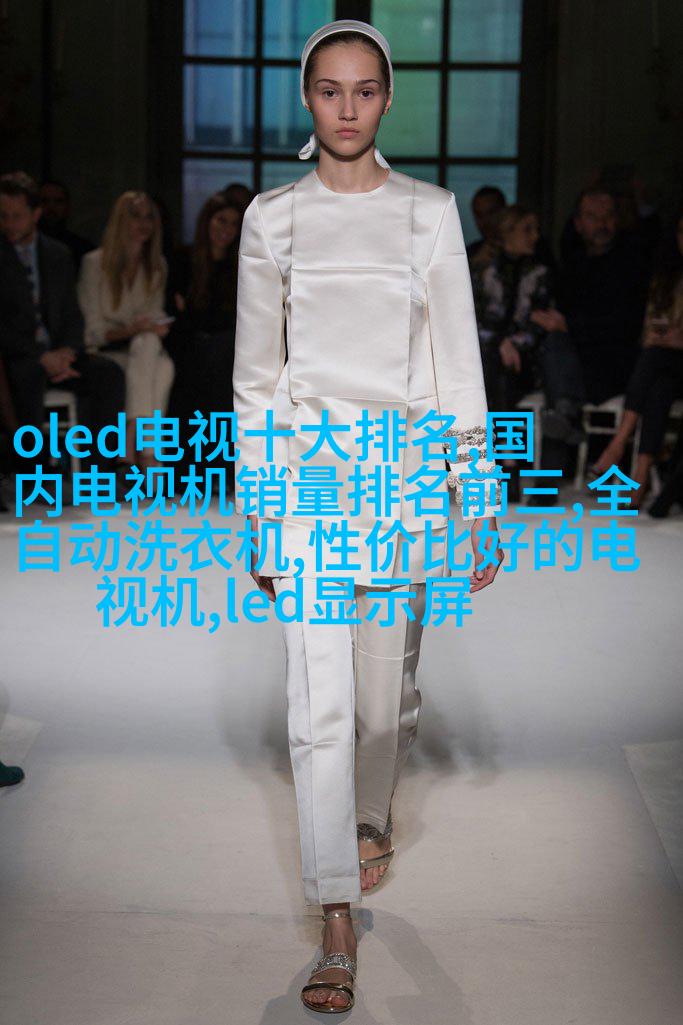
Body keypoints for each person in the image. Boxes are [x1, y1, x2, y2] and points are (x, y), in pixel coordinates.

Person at [232, 19, 504, 1014]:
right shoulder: (272, 220)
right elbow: (255, 380)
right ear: (306, 98)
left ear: (386, 98)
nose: (346, 108)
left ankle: (369, 810)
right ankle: (334, 918)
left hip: (401, 473)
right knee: (317, 702)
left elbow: (455, 364)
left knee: (383, 695)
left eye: (363, 90)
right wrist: (260, 510)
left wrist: (478, 497)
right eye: (328, 90)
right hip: (306, 479)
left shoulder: (428, 214)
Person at [0, 171, 125, 484]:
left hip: (59, 351)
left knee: (108, 374)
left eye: (17, 216)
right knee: (28, 376)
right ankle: (36, 473)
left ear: (36, 214)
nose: (9, 223)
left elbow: (71, 312)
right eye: (3, 216)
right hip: (17, 356)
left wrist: (68, 352)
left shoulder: (57, 254)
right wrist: (41, 357)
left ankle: (100, 471)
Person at [586, 211, 683, 509]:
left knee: (654, 359)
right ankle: (640, 475)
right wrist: (662, 336)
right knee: (659, 387)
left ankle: (618, 444)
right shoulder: (667, 278)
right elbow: (649, 328)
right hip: (666, 366)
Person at [77, 191, 174, 472]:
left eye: (149, 217)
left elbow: (154, 316)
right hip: (105, 352)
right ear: (121, 220)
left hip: (139, 351)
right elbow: (92, 332)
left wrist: (151, 327)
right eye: (135, 216)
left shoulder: (157, 266)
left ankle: (131, 442)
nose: (144, 224)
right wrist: (133, 329)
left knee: (153, 349)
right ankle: (148, 455)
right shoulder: (94, 263)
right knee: (160, 363)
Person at [165, 192, 241, 490]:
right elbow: (176, 316)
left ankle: (219, 469)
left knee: (225, 355)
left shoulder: (240, 265)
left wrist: (196, 315)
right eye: (221, 220)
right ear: (207, 221)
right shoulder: (183, 260)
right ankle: (190, 470)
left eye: (233, 224)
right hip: (186, 344)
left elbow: (233, 318)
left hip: (225, 346)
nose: (226, 229)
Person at [38, 179, 95, 273]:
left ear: (68, 206)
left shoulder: (82, 249)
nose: (51, 207)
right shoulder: (26, 248)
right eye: (44, 201)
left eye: (58, 201)